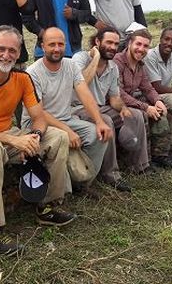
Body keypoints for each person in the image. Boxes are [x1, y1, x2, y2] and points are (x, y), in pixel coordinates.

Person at [0, 25, 75, 255]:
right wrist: (14, 142)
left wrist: (34, 137)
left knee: (58, 136)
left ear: (20, 52)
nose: (6, 55)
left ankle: (47, 206)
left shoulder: (22, 77)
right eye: (1, 49)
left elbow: (39, 118)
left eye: (12, 50)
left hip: (8, 133)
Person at [21, 27, 113, 194]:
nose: (57, 49)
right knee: (62, 137)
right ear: (42, 47)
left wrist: (99, 121)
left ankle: (84, 182)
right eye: (52, 44)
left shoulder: (70, 66)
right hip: (37, 122)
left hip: (65, 118)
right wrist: (67, 130)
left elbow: (84, 94)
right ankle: (62, 188)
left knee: (98, 135)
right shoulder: (32, 73)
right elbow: (39, 112)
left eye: (61, 44)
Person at [71, 27, 150, 192]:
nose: (113, 47)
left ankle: (139, 165)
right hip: (77, 108)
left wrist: (123, 108)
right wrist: (96, 58)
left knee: (135, 115)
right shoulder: (80, 58)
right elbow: (80, 84)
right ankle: (110, 174)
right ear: (97, 42)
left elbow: (114, 98)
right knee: (105, 121)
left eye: (115, 44)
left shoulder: (112, 67)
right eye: (109, 42)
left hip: (101, 107)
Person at [114, 29, 172, 168]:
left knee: (160, 112)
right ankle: (142, 162)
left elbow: (148, 87)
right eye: (138, 44)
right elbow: (118, 93)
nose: (141, 49)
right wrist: (145, 107)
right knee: (143, 115)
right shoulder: (118, 62)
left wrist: (158, 101)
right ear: (129, 43)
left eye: (145, 46)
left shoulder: (140, 64)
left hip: (132, 101)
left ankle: (160, 155)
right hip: (116, 103)